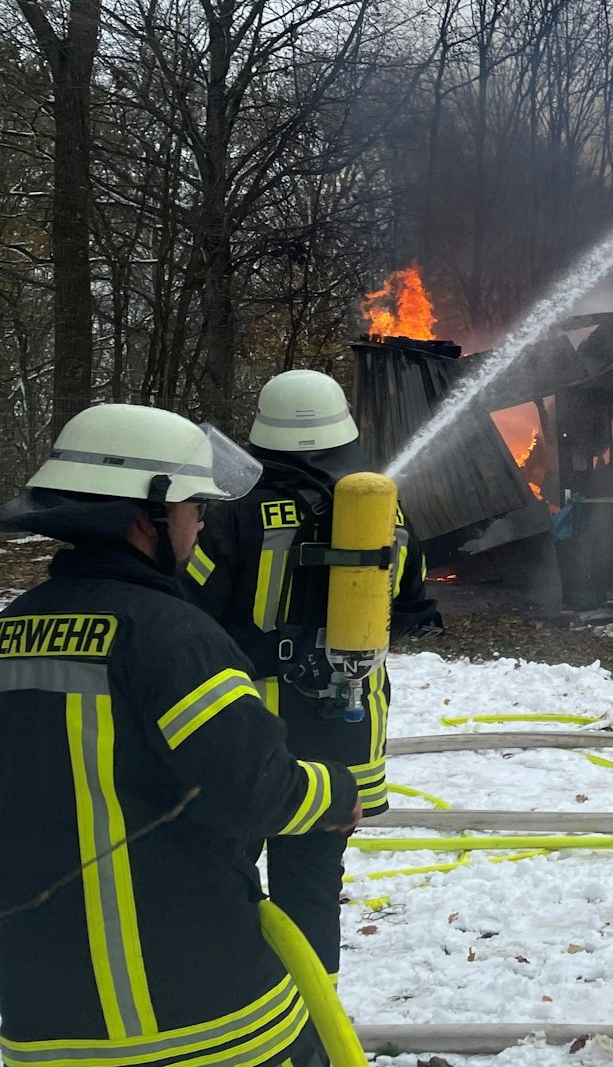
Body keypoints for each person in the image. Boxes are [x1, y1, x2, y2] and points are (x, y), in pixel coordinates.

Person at [0, 404, 359, 1065]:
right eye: (195, 505)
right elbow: (254, 787)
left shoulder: (12, 629)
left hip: (41, 1019)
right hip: (200, 1016)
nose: (201, 523)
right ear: (147, 516)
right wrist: (334, 793)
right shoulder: (171, 636)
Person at [187, 369, 441, 977]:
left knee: (227, 882)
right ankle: (314, 1026)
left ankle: (247, 1013)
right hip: (343, 734)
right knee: (312, 892)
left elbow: (187, 616)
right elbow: (409, 602)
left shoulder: (229, 514)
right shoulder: (380, 505)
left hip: (245, 733)